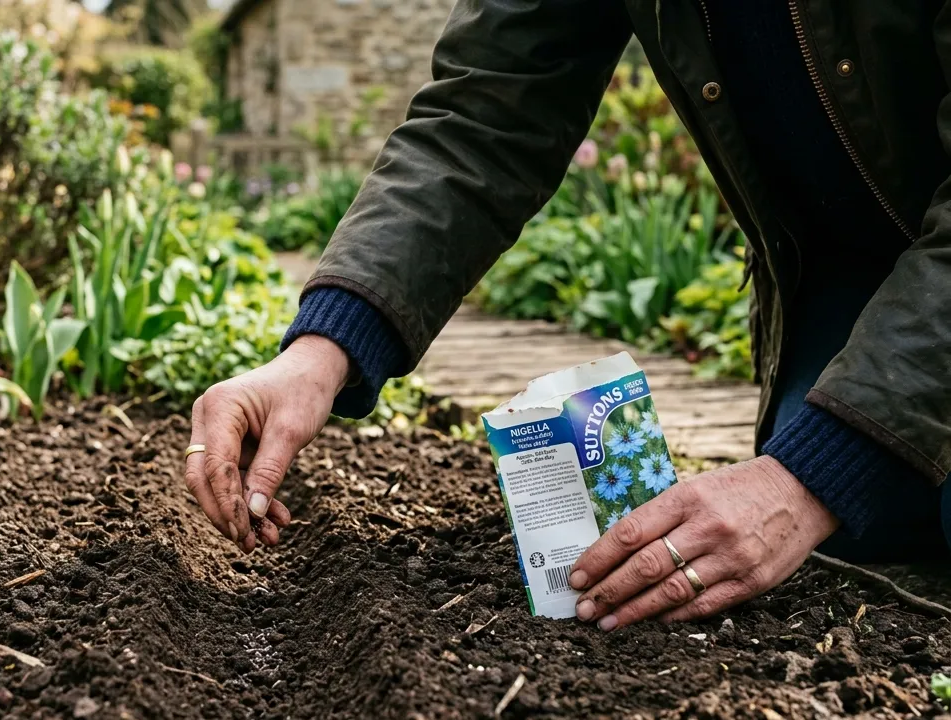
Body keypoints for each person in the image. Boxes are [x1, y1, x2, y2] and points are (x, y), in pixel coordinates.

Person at [183, 0, 951, 631]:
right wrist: (321, 350)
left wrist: (807, 477)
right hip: (851, 283)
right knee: (868, 525)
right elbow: (486, 118)